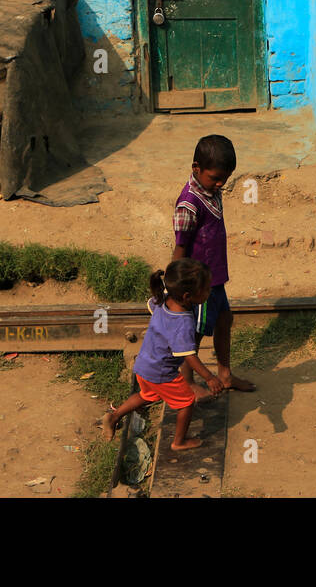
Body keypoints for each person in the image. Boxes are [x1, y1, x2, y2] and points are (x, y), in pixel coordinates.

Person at [101, 259, 222, 450]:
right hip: (161, 372)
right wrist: (209, 377)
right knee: (187, 403)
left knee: (146, 395)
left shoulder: (163, 298)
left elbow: (152, 307)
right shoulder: (182, 323)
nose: (209, 292)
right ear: (188, 296)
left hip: (143, 364)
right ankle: (179, 442)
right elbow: (189, 356)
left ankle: (114, 416)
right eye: (206, 289)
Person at [172, 134, 256, 392]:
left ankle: (226, 375)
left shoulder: (210, 190)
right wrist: (177, 288)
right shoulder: (189, 204)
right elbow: (180, 248)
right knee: (194, 333)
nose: (220, 184)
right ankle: (186, 382)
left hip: (215, 278)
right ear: (196, 168)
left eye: (225, 179)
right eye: (215, 178)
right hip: (199, 283)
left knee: (224, 320)